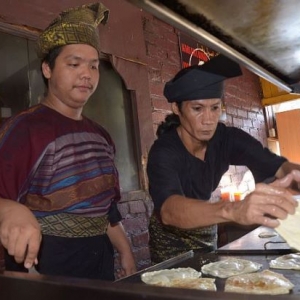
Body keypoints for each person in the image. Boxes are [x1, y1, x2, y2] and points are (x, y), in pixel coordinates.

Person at [0, 2, 136, 280]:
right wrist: (9, 208)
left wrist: (125, 250)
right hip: (44, 268)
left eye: (94, 66)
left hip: (100, 263)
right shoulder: (24, 129)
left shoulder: (101, 136)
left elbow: (107, 208)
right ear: (47, 69)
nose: (86, 74)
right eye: (74, 64)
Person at [147, 54, 300, 264]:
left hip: (206, 227)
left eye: (215, 108)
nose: (209, 120)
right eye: (198, 109)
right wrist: (233, 209)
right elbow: (169, 211)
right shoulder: (164, 151)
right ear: (177, 109)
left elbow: (278, 166)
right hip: (170, 240)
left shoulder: (226, 138)